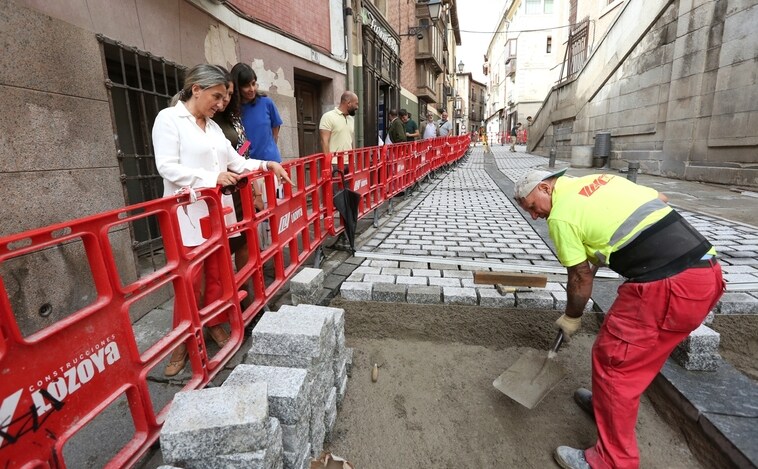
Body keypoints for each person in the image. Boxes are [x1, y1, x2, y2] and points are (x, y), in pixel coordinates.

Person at [513, 169, 724, 469]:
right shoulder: (600, 180)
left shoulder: (561, 216)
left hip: (666, 287)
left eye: (532, 207)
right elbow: (660, 199)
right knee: (633, 359)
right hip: (707, 274)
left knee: (616, 365)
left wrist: (572, 317)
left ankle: (611, 462)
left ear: (545, 188)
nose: (535, 216)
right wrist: (601, 249)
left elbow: (579, 276)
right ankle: (605, 408)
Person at [152, 64, 291, 377]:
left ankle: (214, 323)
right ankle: (182, 342)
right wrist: (210, 177)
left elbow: (238, 163)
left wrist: (268, 164)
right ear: (196, 89)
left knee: (217, 272)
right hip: (187, 214)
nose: (221, 103)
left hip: (218, 212)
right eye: (216, 96)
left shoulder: (213, 128)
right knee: (191, 281)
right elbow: (167, 167)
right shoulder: (169, 119)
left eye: (224, 98)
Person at [212, 70, 265, 310]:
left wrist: (256, 191)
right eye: (221, 95)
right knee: (220, 252)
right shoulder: (206, 119)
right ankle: (224, 304)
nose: (224, 101)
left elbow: (244, 154)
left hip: (238, 187)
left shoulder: (233, 117)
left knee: (244, 241)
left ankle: (244, 294)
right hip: (215, 193)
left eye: (229, 95)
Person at [234, 63, 283, 163]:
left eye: (253, 83)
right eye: (246, 86)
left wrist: (270, 148)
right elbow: (243, 139)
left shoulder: (266, 102)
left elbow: (275, 128)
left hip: (271, 161)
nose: (252, 89)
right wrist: (243, 155)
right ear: (237, 87)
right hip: (248, 165)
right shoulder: (234, 110)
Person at [319, 90, 359, 172]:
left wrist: (353, 161)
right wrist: (328, 164)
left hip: (349, 163)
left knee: (349, 185)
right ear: (349, 103)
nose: (357, 107)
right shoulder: (328, 117)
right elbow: (324, 141)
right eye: (356, 104)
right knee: (335, 185)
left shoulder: (351, 119)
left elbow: (349, 140)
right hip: (335, 164)